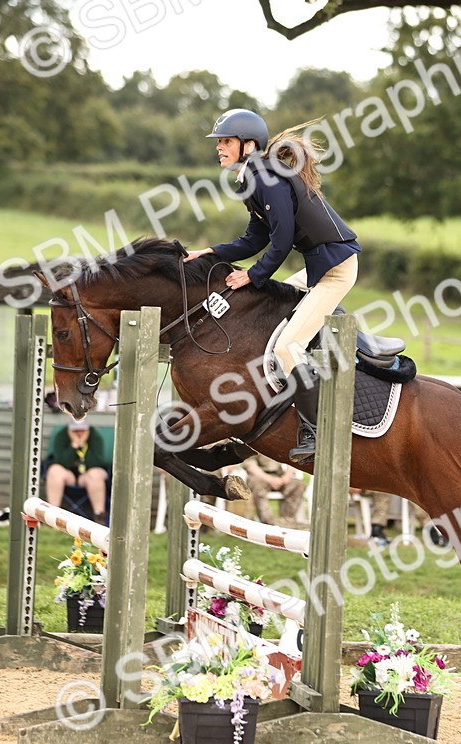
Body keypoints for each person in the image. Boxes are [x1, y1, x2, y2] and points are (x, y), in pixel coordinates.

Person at [185, 109, 361, 464]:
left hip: (335, 272)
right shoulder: (254, 178)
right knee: (264, 307)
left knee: (286, 348)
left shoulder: (268, 178)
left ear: (248, 145)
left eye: (226, 142)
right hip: (318, 268)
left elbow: (280, 243)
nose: (219, 148)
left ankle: (316, 429)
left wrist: (252, 275)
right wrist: (212, 251)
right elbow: (255, 238)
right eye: (219, 142)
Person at [45, 418, 111, 523]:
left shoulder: (95, 436)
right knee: (54, 470)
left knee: (95, 475)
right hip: (69, 474)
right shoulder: (61, 436)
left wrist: (84, 442)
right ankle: (53, 517)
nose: (79, 433)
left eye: (82, 430)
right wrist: (74, 445)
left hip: (87, 475)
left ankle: (100, 517)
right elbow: (61, 461)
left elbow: (97, 462)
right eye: (75, 431)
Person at [243, 454, 307, 528]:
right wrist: (270, 479)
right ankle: (269, 523)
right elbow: (250, 466)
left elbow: (292, 460)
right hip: (259, 476)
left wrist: (286, 477)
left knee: (299, 485)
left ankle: (287, 521)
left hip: (278, 474)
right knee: (257, 487)